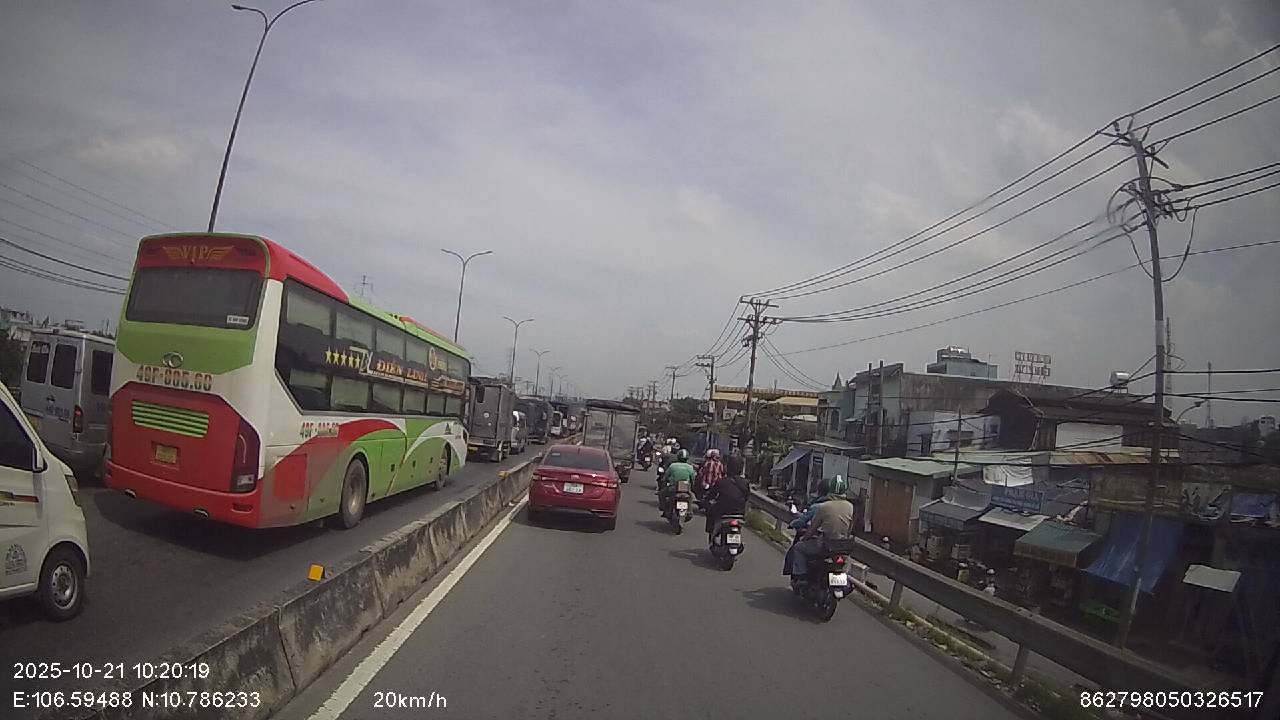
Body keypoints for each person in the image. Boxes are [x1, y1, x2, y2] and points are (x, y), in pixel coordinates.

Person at [786, 475, 854, 579]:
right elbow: (850, 529)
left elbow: (812, 528)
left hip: (826, 545)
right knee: (846, 562)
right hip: (843, 546)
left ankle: (801, 577)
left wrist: (804, 538)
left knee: (799, 548)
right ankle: (843, 577)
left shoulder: (823, 507)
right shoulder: (850, 506)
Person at [704, 454, 750, 540]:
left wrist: (706, 502)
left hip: (723, 512)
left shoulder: (721, 482)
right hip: (740, 514)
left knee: (710, 511)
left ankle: (712, 535)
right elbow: (747, 497)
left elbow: (711, 495)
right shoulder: (745, 483)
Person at [659, 449, 696, 515]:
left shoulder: (673, 466)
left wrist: (664, 483)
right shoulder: (690, 467)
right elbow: (693, 479)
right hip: (685, 488)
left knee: (661, 494)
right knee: (690, 497)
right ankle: (689, 511)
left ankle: (664, 509)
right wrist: (692, 488)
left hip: (673, 488)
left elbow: (666, 477)